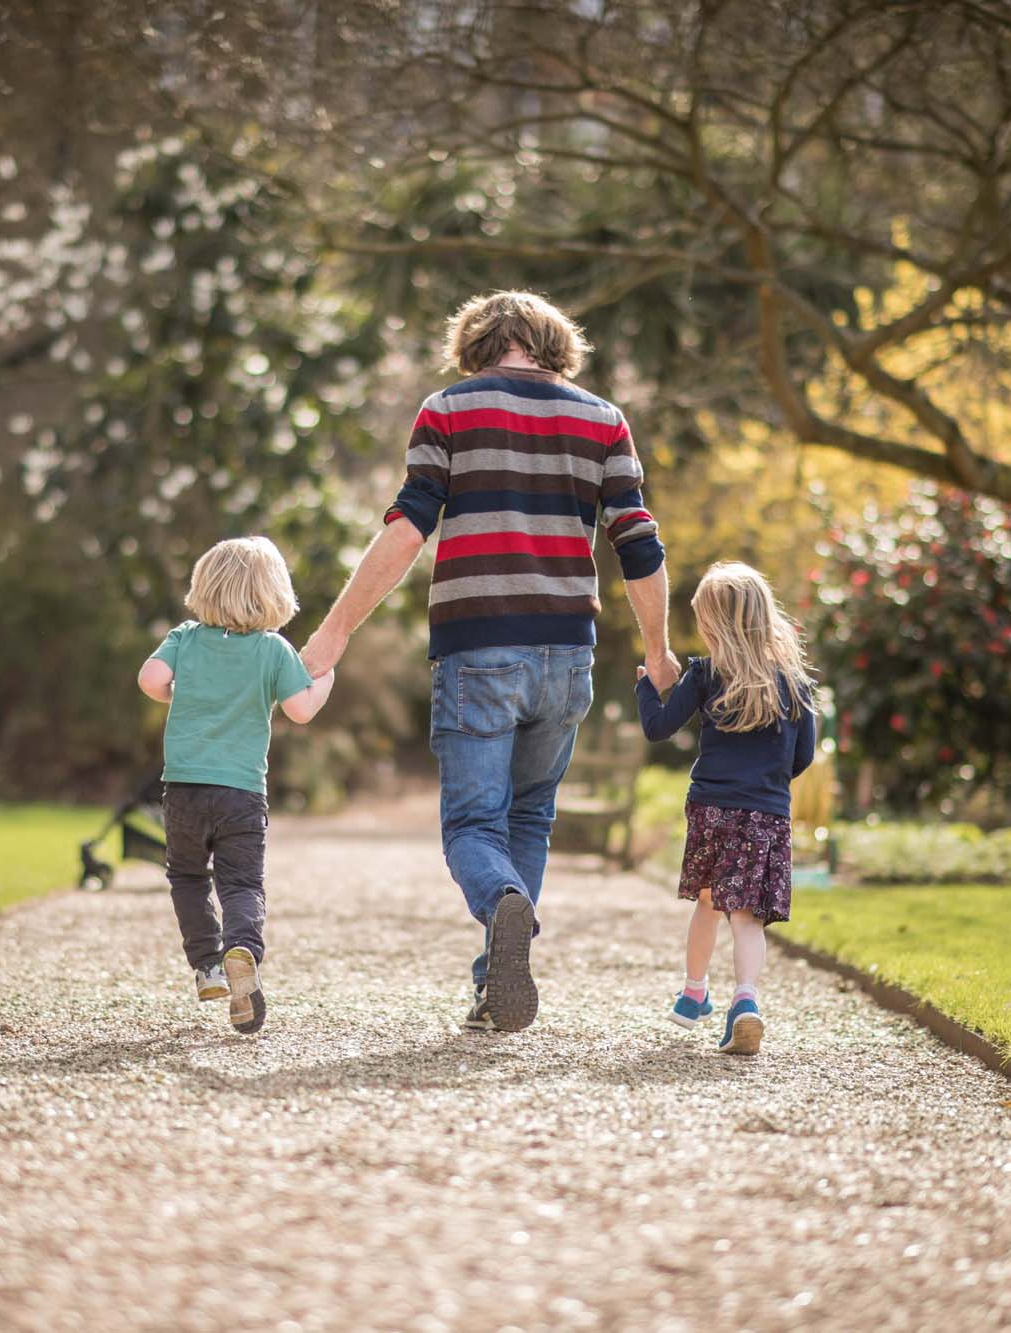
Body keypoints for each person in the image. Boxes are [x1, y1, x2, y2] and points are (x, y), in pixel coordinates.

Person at [301, 290, 679, 1033]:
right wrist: (659, 651)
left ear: (475, 342)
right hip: (567, 651)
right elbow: (638, 541)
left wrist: (334, 631)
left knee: (474, 824)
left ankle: (503, 906)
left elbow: (408, 529)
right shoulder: (602, 418)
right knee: (530, 815)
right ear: (552, 342)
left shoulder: (448, 409)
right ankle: (496, 976)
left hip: (477, 647)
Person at [137, 536, 335, 1034]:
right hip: (242, 794)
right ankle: (241, 948)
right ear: (275, 593)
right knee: (242, 884)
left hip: (182, 789)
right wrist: (325, 678)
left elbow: (149, 679)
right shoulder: (273, 650)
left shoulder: (185, 638)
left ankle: (207, 967)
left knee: (187, 875)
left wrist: (175, 692)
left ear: (204, 587)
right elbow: (301, 710)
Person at [636, 562, 817, 1056]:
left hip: (712, 809)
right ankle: (745, 1002)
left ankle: (694, 993)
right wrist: (768, 785)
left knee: (709, 901)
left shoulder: (704, 675)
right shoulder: (793, 684)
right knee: (746, 917)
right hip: (765, 814)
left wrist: (646, 688)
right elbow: (803, 756)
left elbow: (658, 728)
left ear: (712, 625)